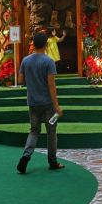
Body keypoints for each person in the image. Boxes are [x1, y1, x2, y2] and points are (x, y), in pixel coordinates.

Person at [17, 31, 64, 173]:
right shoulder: (49, 61)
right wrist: (57, 106)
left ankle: (26, 155)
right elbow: (51, 85)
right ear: (45, 45)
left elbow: (20, 80)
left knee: (34, 131)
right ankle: (52, 161)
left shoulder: (25, 60)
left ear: (34, 44)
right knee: (51, 132)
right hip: (47, 103)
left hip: (32, 102)